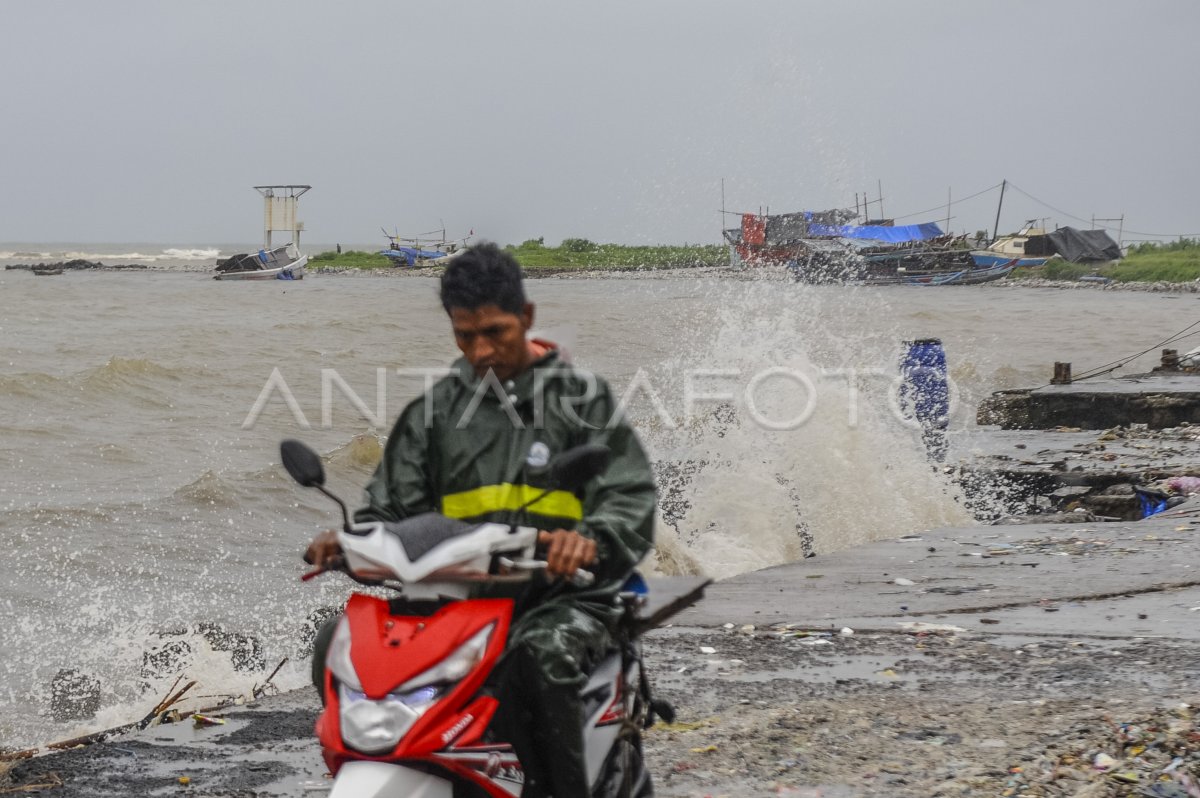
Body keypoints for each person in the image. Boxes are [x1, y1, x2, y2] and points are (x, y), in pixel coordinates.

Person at [304, 241, 656, 797]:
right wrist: (350, 541)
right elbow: (388, 508)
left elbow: (631, 500)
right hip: (455, 601)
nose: (482, 349)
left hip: (561, 596)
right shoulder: (433, 413)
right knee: (335, 640)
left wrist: (587, 541)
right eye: (466, 336)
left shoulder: (582, 401)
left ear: (527, 317)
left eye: (496, 332)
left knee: (541, 655)